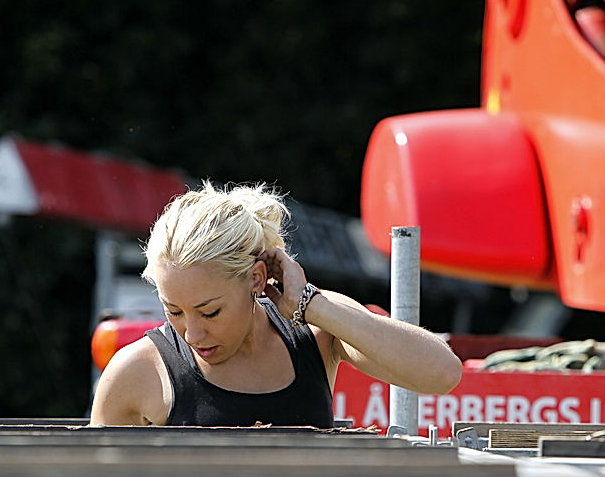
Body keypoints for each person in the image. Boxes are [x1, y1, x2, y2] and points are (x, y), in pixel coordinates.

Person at [90, 181, 462, 426]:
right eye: (173, 311)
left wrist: (310, 305)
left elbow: (442, 373)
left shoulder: (313, 331)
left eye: (210, 311)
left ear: (255, 279)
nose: (192, 332)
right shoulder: (137, 372)